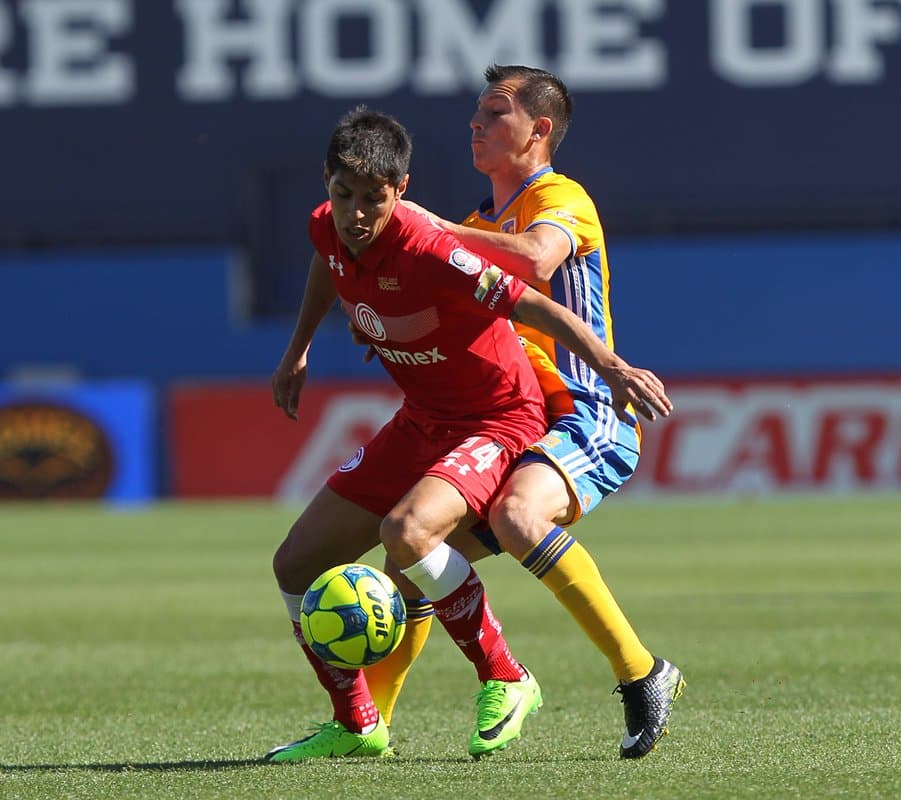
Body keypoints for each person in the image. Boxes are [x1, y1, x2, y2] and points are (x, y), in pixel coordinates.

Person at [266, 106, 672, 763]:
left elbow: (534, 300)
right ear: (326, 184)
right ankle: (357, 722)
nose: (356, 214)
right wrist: (299, 350)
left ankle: (507, 676)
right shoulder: (329, 227)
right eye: (343, 196)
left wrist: (613, 366)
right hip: (422, 418)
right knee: (294, 563)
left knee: (408, 537)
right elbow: (329, 261)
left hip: (498, 418)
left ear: (401, 191)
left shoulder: (434, 245)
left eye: (374, 199)